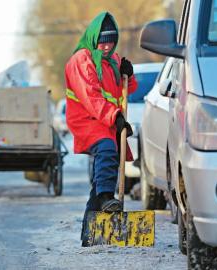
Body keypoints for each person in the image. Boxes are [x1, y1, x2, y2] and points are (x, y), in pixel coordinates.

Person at [64, 11, 138, 244]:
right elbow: (91, 96)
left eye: (111, 41)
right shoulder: (81, 61)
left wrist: (128, 75)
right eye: (103, 40)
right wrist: (114, 116)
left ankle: (90, 234)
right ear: (94, 37)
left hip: (106, 122)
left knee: (104, 171)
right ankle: (108, 197)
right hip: (87, 120)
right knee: (106, 149)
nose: (106, 46)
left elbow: (125, 90)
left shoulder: (113, 61)